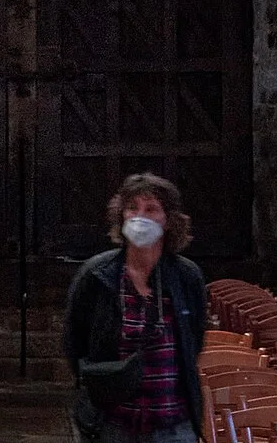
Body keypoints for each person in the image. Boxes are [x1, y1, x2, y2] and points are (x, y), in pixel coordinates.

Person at [61, 173, 210, 443]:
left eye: (151, 209)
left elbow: (194, 339)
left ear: (168, 220)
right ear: (122, 215)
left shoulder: (186, 276)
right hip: (113, 422)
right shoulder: (96, 274)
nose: (140, 216)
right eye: (133, 208)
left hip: (171, 422)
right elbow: (75, 340)